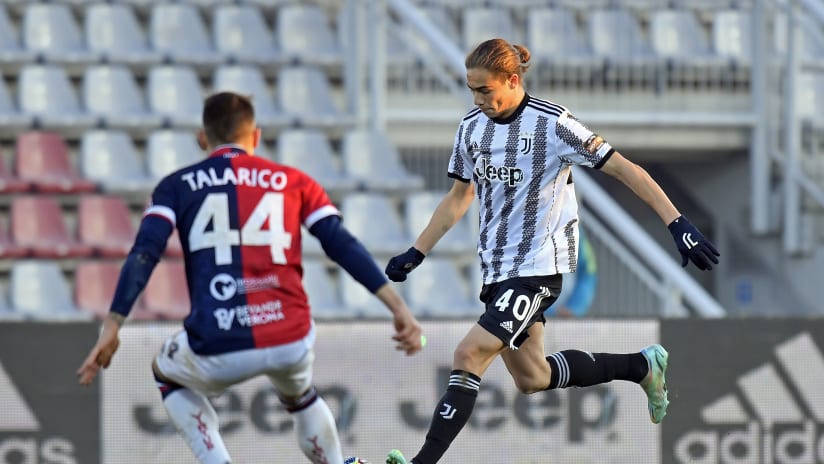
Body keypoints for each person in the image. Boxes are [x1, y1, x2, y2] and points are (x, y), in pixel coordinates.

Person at [382, 38, 719, 464]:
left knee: (469, 354)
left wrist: (677, 222)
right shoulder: (470, 127)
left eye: (485, 89)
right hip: (497, 270)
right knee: (533, 377)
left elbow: (624, 168)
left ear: (512, 80)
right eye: (471, 89)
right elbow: (459, 197)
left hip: (539, 266)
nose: (478, 98)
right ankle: (641, 367)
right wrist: (417, 251)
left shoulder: (554, 124)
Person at [76, 91, 424, 464]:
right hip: (289, 332)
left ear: (202, 138)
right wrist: (397, 306)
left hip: (219, 338)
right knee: (300, 394)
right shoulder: (293, 181)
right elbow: (341, 244)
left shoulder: (176, 186)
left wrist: (114, 324)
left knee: (166, 372)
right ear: (255, 137)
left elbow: (145, 252)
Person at [546, 226, 597, 318]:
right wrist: (549, 312)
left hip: (567, 320)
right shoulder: (527, 229)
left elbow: (588, 274)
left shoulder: (576, 231)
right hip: (530, 320)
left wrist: (574, 308)